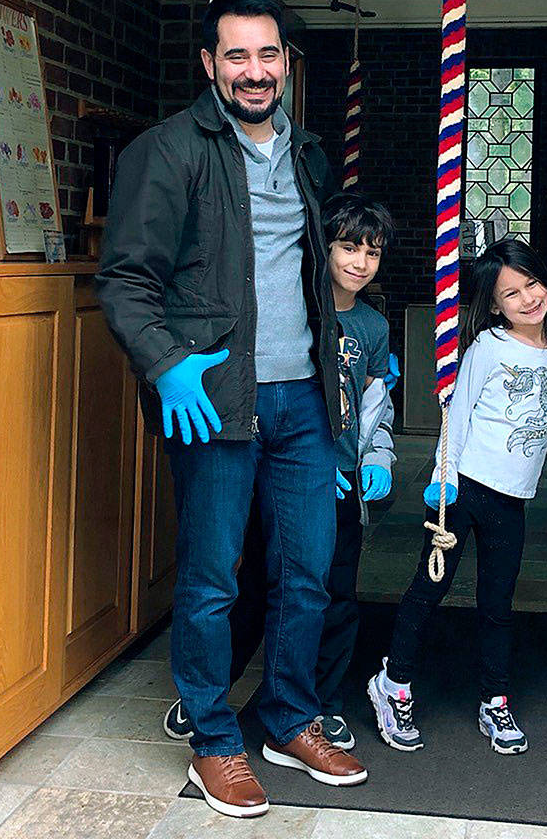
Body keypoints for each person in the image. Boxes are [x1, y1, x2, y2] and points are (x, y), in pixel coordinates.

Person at [96, 0, 366, 820]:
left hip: (305, 404)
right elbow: (126, 279)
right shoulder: (168, 151)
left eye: (269, 54)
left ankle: (288, 717)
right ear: (210, 65)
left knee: (307, 572)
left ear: (288, 63)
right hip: (216, 401)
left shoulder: (308, 157)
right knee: (214, 581)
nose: (255, 71)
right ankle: (215, 739)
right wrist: (167, 365)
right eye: (236, 56)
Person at [160, 192, 400, 755]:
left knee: (329, 588)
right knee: (250, 581)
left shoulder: (372, 325)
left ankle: (314, 704)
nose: (360, 262)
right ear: (320, 246)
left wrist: (375, 458)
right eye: (347, 247)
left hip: (339, 477)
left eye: (373, 252)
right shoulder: (298, 313)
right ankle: (208, 692)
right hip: (277, 471)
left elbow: (372, 406)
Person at [367, 238, 547, 755]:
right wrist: (444, 477)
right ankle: (393, 682)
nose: (528, 298)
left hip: (512, 500)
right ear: (495, 305)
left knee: (497, 604)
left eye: (532, 283)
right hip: (462, 490)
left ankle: (495, 699)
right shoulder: (489, 347)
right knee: (429, 589)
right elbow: (459, 414)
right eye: (512, 294)